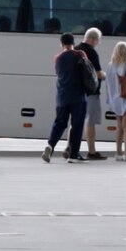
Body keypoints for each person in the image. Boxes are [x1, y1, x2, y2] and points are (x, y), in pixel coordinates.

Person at [41, 33, 88, 164]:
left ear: (61, 44)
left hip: (62, 96)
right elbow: (87, 69)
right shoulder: (80, 54)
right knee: (76, 125)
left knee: (60, 122)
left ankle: (50, 145)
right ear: (73, 42)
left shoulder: (58, 58)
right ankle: (73, 155)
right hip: (78, 96)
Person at [72, 27, 107, 160]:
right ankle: (92, 151)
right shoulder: (91, 52)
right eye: (97, 40)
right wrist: (104, 75)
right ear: (93, 39)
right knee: (90, 122)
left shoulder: (75, 50)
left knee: (75, 121)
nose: (97, 43)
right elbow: (98, 74)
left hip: (76, 91)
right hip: (90, 92)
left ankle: (70, 148)